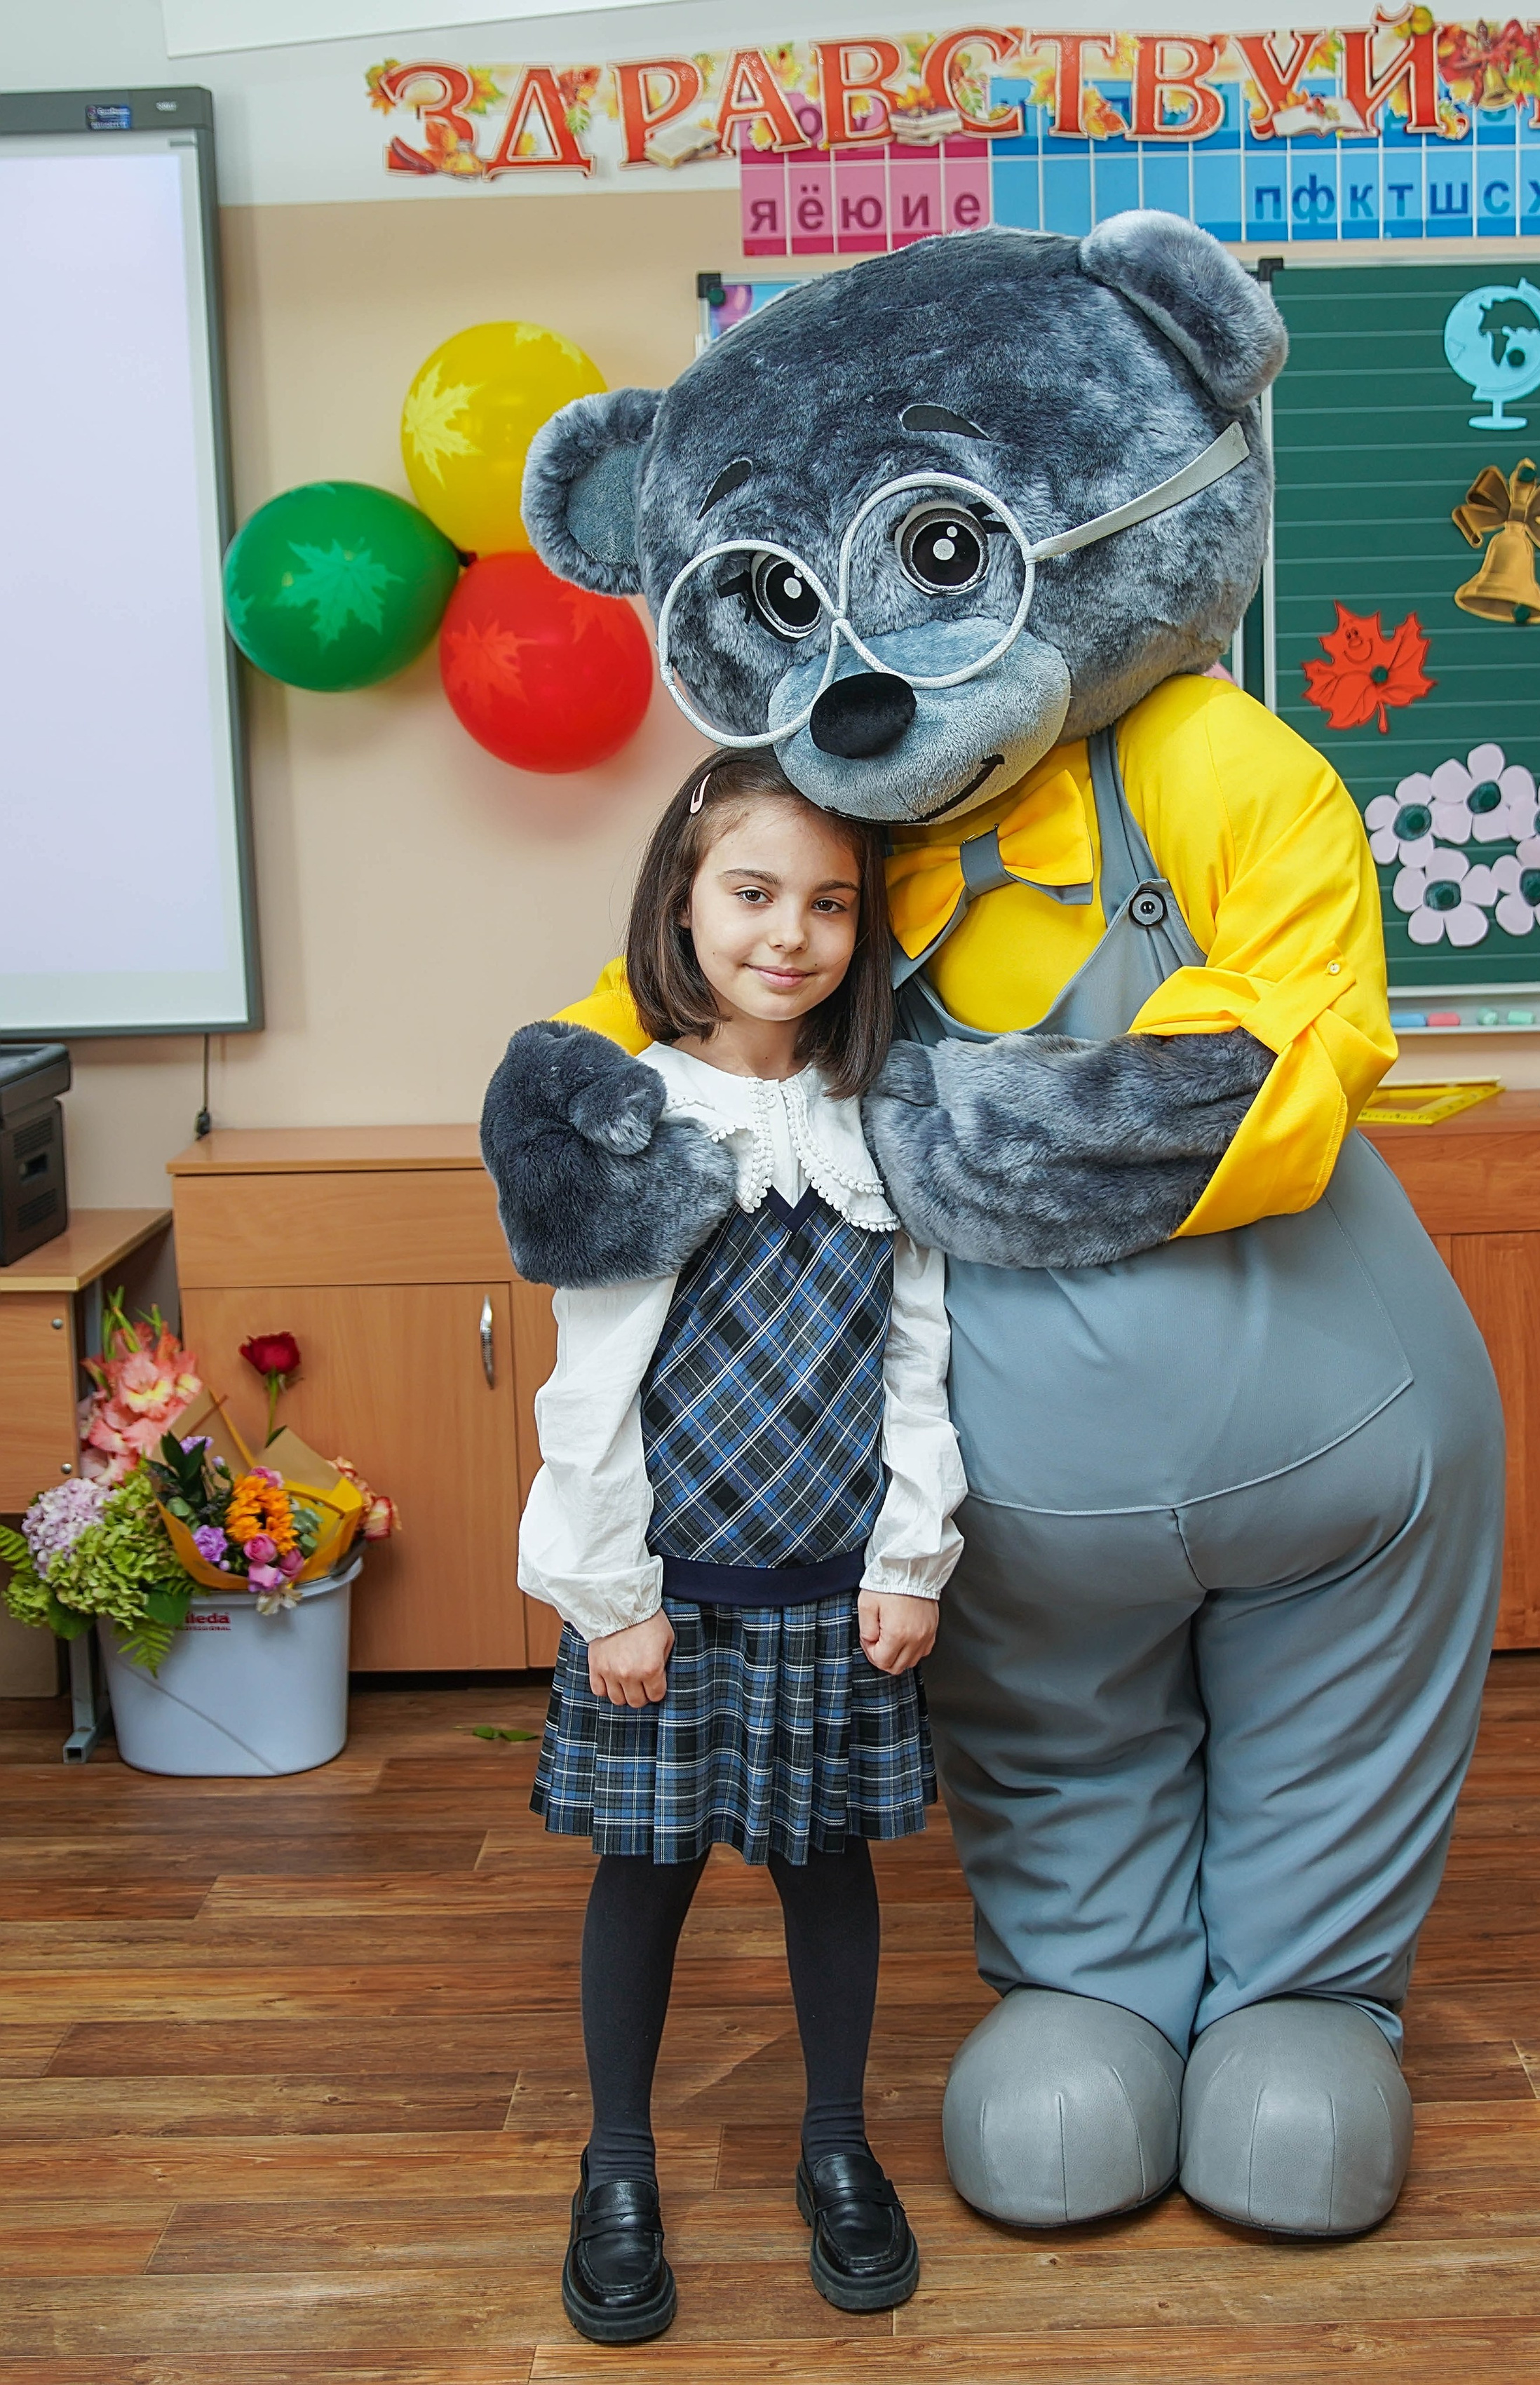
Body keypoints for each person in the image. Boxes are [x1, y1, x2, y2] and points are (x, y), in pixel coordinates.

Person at [509, 750, 965, 2347]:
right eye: (753, 893)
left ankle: (835, 2145)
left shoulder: (875, 1116)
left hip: (830, 1596)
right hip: (668, 1603)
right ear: (680, 901)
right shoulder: (636, 1117)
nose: (792, 934)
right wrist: (610, 1599)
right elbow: (592, 1385)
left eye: (829, 902)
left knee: (823, 1866)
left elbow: (918, 1352)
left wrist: (909, 1557)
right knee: (645, 1874)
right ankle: (616, 2166)